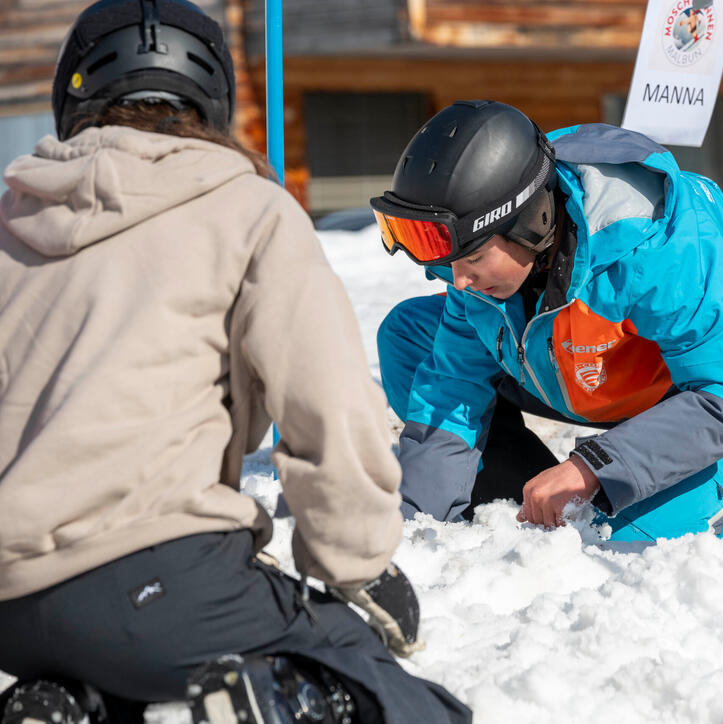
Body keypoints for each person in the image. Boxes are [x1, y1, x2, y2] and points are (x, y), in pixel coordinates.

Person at [0, 2, 470, 724]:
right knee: (391, 693)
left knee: (130, 658)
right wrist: (357, 563)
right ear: (213, 97)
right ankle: (288, 701)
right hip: (159, 582)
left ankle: (74, 701)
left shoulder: (11, 222)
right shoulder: (246, 210)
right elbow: (329, 405)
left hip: (12, 610)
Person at [371, 100, 723, 542]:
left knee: (633, 546)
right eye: (452, 264)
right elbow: (451, 385)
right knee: (411, 336)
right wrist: (422, 528)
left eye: (472, 259)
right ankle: (525, 498)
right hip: (597, 371)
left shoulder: (657, 244)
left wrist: (592, 467)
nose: (460, 281)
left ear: (531, 223)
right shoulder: (481, 258)